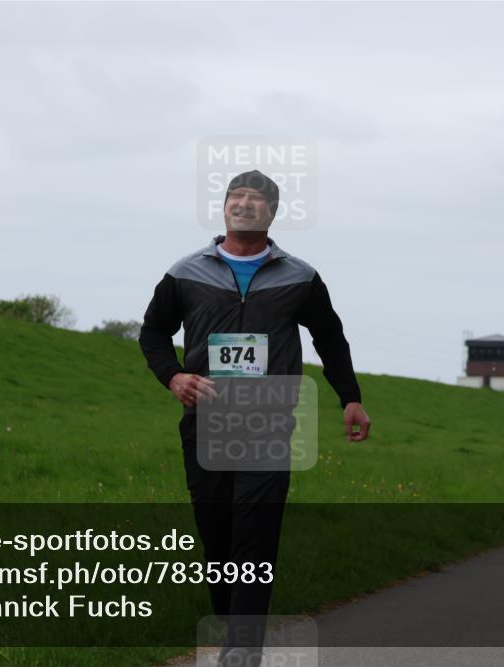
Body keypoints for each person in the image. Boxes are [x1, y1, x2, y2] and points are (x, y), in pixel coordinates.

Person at [139, 170, 371, 666]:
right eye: (236, 196)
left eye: (256, 198)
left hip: (268, 421)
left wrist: (349, 397)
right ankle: (233, 629)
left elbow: (330, 337)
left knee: (256, 534)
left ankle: (242, 651)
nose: (244, 204)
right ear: (223, 208)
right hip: (206, 421)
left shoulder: (299, 278)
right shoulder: (186, 273)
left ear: (272, 212)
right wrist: (174, 377)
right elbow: (153, 333)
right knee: (217, 534)